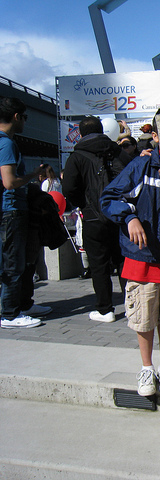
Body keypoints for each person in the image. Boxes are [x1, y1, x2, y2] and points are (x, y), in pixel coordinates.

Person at [100, 107, 160, 396]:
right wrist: (129, 217)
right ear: (156, 135)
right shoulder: (141, 165)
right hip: (143, 256)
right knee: (144, 315)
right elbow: (110, 197)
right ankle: (146, 368)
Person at [62, 115, 130, 323]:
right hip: (120, 215)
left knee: (99, 265)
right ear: (102, 130)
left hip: (93, 217)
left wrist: (84, 204)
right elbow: (132, 173)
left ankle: (105, 309)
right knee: (123, 261)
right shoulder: (117, 150)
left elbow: (69, 189)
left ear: (80, 134)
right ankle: (133, 306)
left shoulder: (77, 156)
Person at [0, 97, 48, 329]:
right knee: (14, 262)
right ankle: (9, 313)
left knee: (16, 260)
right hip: (11, 209)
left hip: (8, 210)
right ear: (16, 117)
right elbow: (9, 182)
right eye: (25, 117)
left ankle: (22, 305)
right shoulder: (7, 144)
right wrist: (32, 176)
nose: (25, 122)